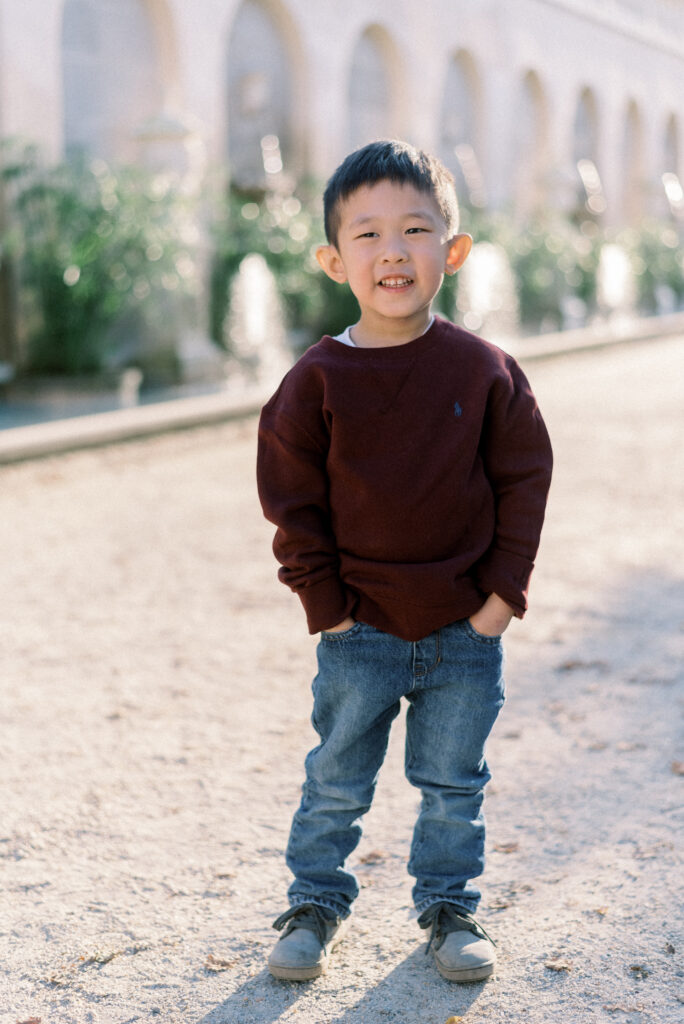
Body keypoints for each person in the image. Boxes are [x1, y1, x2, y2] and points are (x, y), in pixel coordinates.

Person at [256, 139, 553, 984]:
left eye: (417, 229)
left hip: (466, 629)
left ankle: (450, 909)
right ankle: (314, 903)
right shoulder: (314, 383)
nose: (394, 250)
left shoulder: (486, 371)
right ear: (332, 258)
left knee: (454, 783)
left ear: (452, 252)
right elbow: (291, 506)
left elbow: (525, 480)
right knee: (337, 779)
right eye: (369, 234)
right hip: (359, 633)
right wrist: (331, 610)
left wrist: (501, 599)